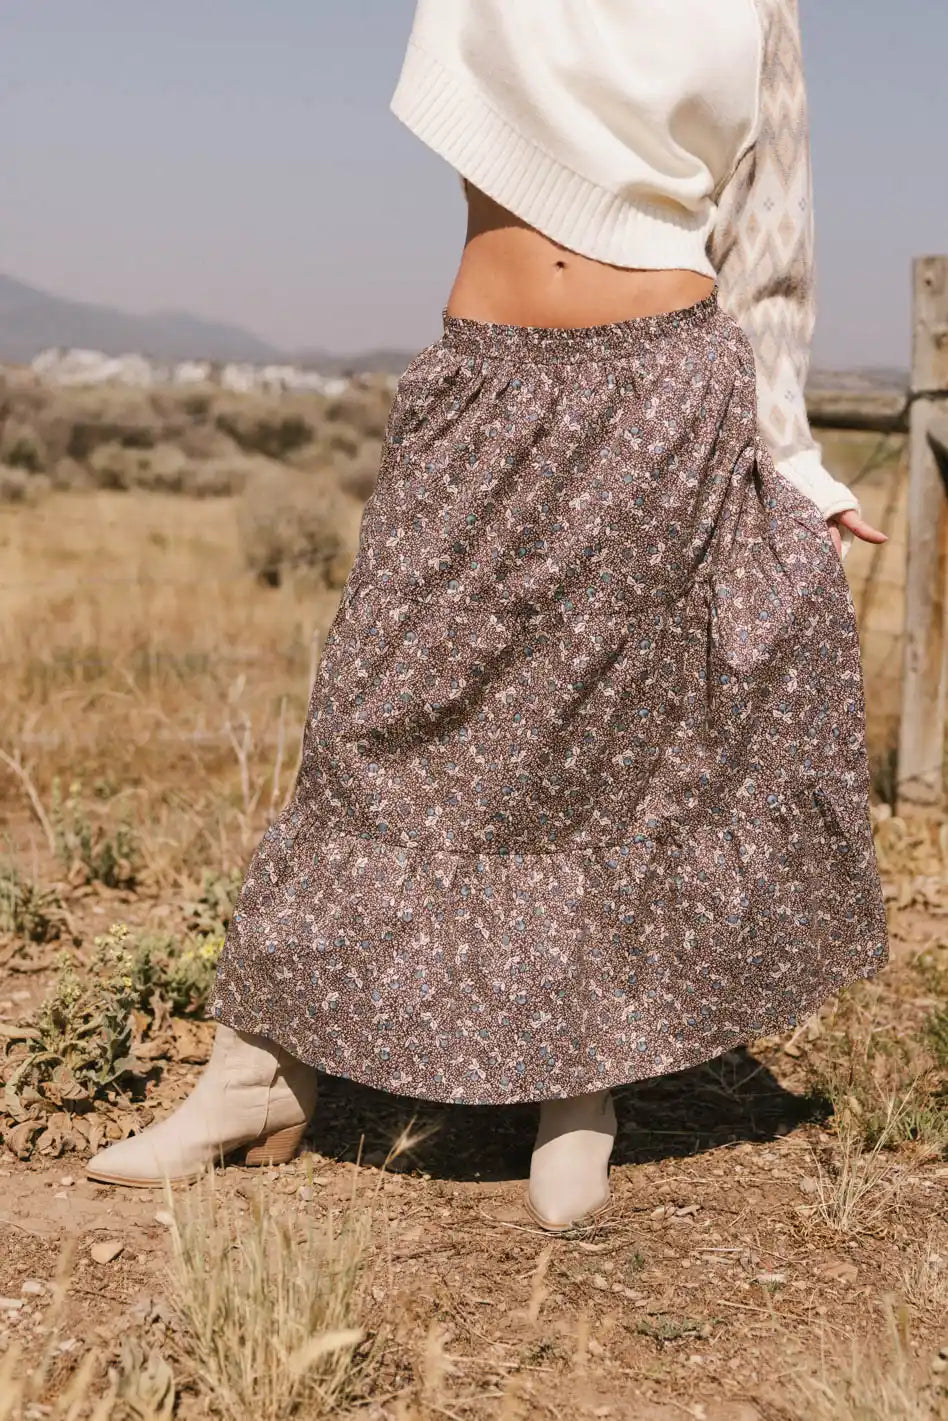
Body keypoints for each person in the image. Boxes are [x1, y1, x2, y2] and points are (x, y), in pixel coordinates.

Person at [88, 0, 889, 1231]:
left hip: (667, 395)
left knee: (605, 750)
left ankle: (580, 1086)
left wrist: (791, 460)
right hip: (485, 377)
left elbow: (772, 241)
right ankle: (256, 1075)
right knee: (370, 719)